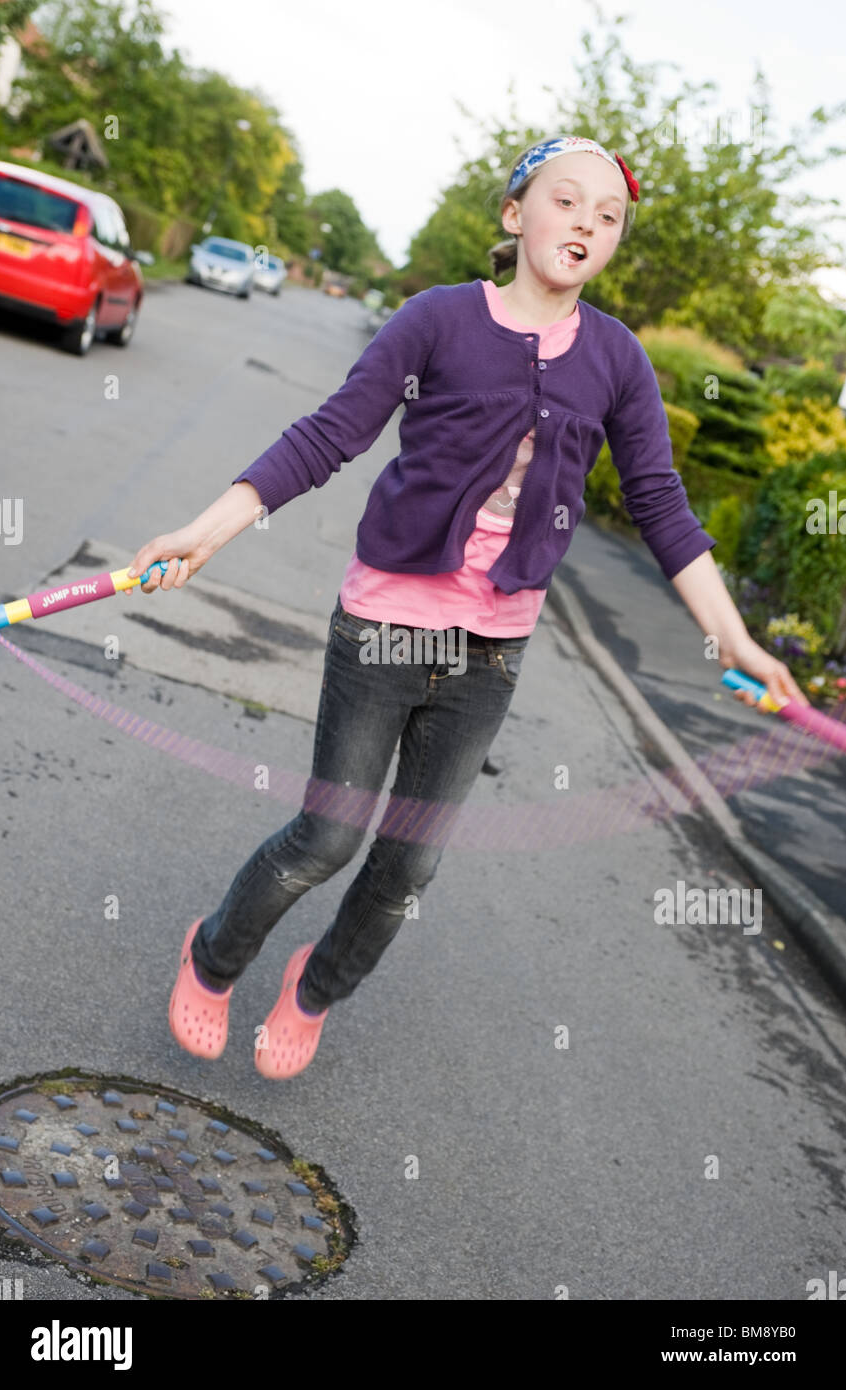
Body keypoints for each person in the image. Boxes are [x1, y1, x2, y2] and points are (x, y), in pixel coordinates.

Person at [126, 134, 808, 1081]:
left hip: (489, 653)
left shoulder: (616, 361)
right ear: (514, 212)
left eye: (607, 217)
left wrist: (733, 640)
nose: (586, 225)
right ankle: (213, 958)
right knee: (327, 837)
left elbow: (661, 508)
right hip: (382, 626)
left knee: (408, 868)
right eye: (567, 202)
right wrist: (207, 530)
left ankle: (314, 989)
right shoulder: (437, 321)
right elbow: (330, 435)